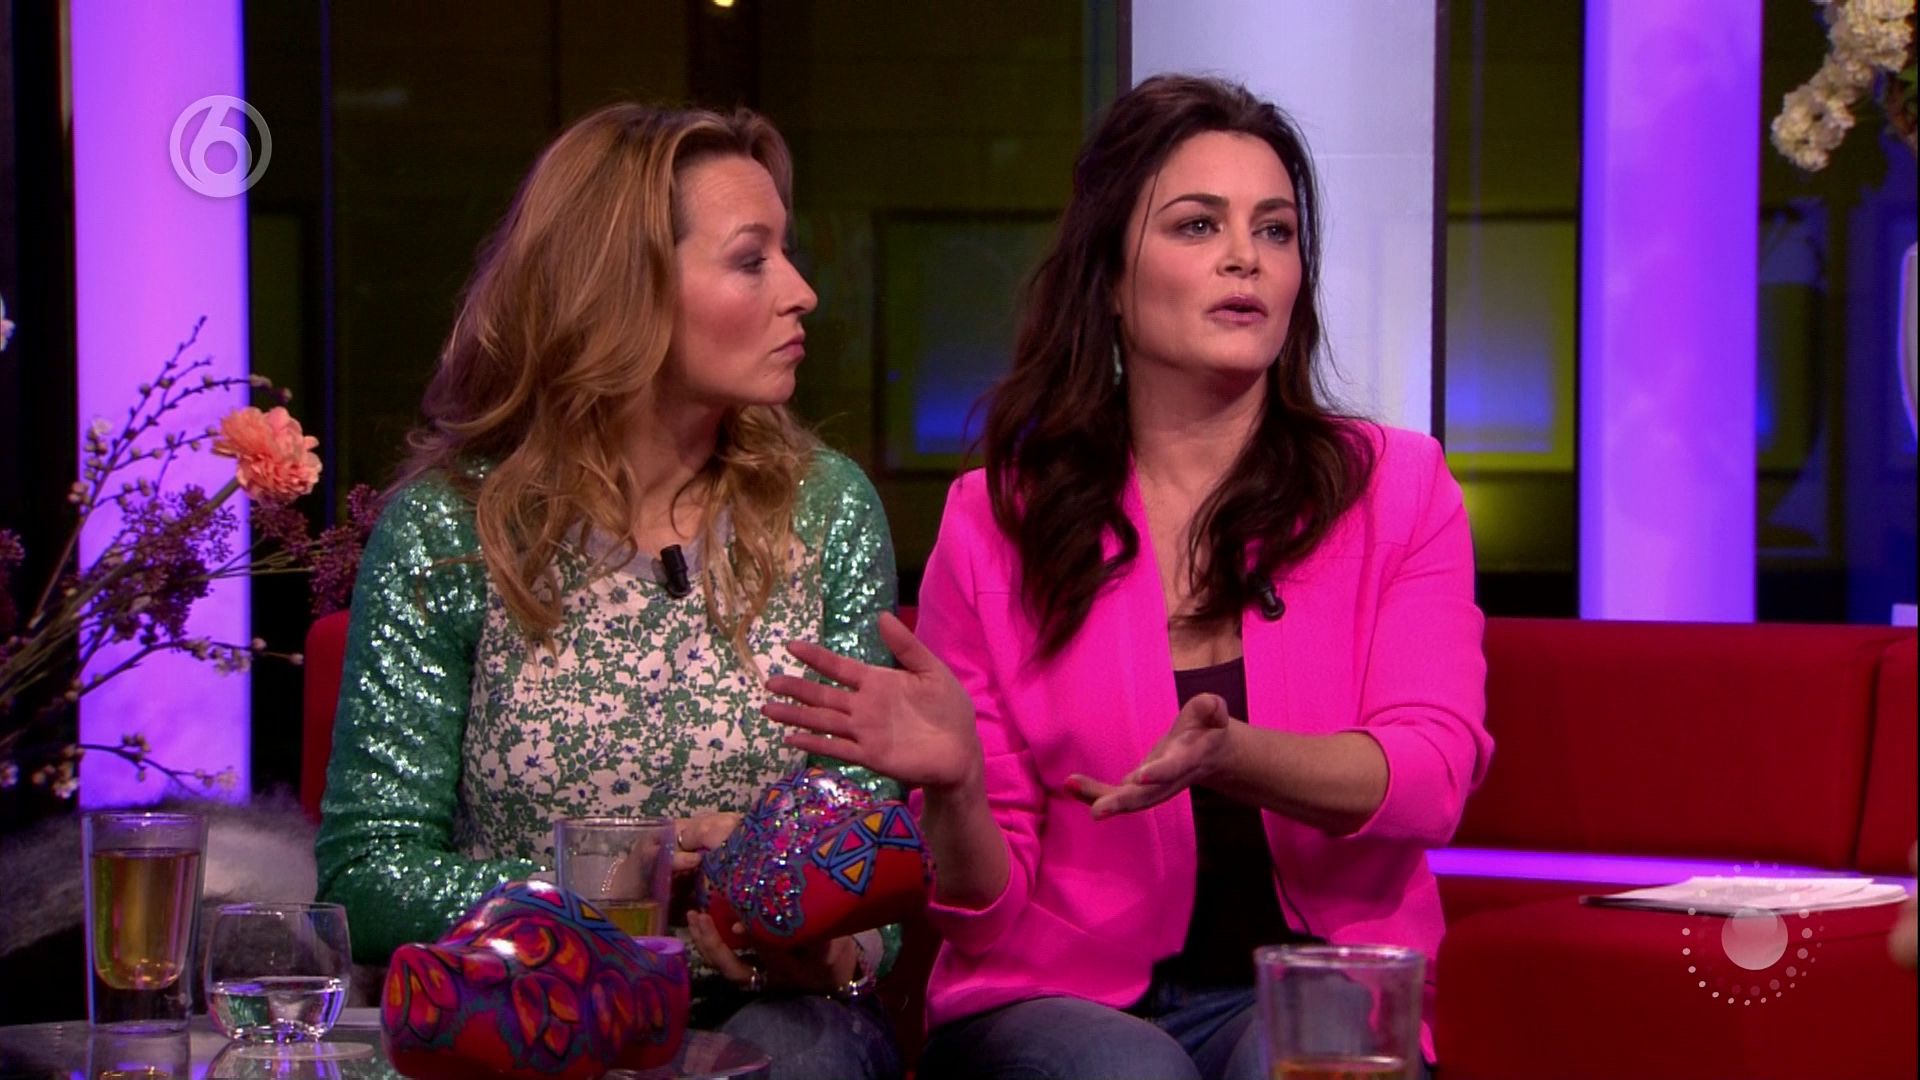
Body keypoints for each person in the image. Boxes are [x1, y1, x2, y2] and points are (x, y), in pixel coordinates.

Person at [762, 74, 1491, 1080]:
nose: (1245, 257)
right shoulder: (1000, 520)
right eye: (1198, 225)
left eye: (1275, 231)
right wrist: (958, 786)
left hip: (1316, 983)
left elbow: (1431, 780)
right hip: (1051, 1002)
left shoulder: (1395, 489)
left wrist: (1233, 755)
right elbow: (979, 913)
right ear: (1109, 276)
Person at [313, 102, 904, 1080]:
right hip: (523, 1014)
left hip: (773, 1014)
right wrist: (613, 883)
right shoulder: (449, 530)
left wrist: (822, 936)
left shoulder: (827, 511)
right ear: (626, 287)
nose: (802, 292)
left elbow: (869, 848)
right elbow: (367, 878)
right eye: (751, 260)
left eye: (787, 255)